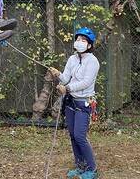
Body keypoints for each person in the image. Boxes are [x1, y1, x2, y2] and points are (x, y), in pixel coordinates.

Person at [49, 27, 100, 179]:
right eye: (78, 39)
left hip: (84, 103)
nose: (79, 42)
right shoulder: (72, 59)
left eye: (83, 40)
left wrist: (67, 88)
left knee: (79, 136)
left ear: (89, 45)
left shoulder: (93, 61)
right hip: (71, 102)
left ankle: (92, 169)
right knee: (72, 135)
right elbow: (66, 78)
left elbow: (86, 82)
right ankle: (80, 166)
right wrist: (58, 74)